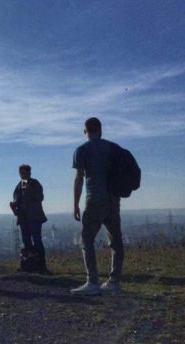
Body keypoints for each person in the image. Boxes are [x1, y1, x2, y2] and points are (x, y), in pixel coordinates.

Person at [71, 117, 124, 295]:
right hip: (113, 198)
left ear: (85, 131)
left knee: (86, 240)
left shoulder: (81, 150)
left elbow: (79, 178)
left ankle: (92, 282)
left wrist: (75, 204)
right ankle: (114, 281)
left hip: (94, 199)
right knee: (116, 240)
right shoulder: (112, 147)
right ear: (100, 130)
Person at [9, 164, 49, 273]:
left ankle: (41, 265)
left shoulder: (34, 183)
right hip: (23, 218)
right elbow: (18, 199)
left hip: (34, 217)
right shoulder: (19, 186)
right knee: (26, 241)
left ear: (29, 173)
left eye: (25, 173)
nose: (23, 175)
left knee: (37, 240)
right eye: (21, 173)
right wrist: (14, 205)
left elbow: (40, 197)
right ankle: (29, 264)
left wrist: (29, 189)